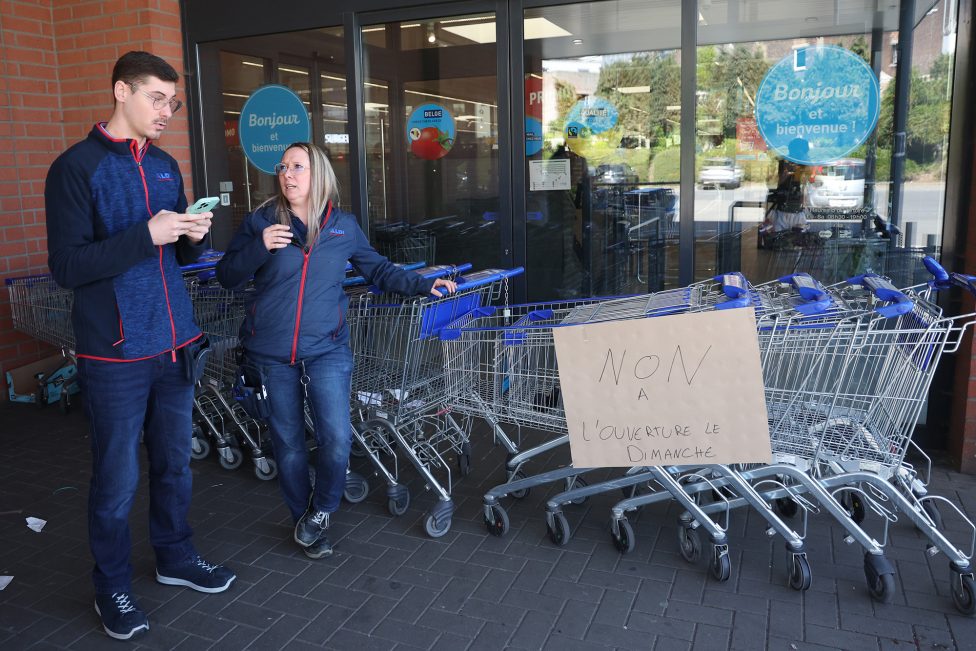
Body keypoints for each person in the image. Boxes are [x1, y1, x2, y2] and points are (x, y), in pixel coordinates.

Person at [45, 51, 235, 641]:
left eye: (172, 102)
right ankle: (113, 586)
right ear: (120, 90)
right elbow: (68, 267)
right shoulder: (74, 169)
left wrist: (188, 235)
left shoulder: (165, 166)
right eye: (156, 98)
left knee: (176, 465)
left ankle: (176, 558)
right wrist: (145, 233)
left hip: (174, 342)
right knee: (117, 477)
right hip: (114, 354)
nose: (166, 112)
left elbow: (172, 257)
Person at [216, 142, 456, 559]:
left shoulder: (343, 225)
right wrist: (259, 247)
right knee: (288, 445)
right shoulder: (261, 221)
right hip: (270, 354)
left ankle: (322, 510)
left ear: (318, 175)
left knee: (336, 438)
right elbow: (227, 277)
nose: (288, 175)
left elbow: (377, 269)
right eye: (284, 167)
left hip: (327, 349)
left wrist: (421, 284)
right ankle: (304, 523)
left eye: (298, 167)